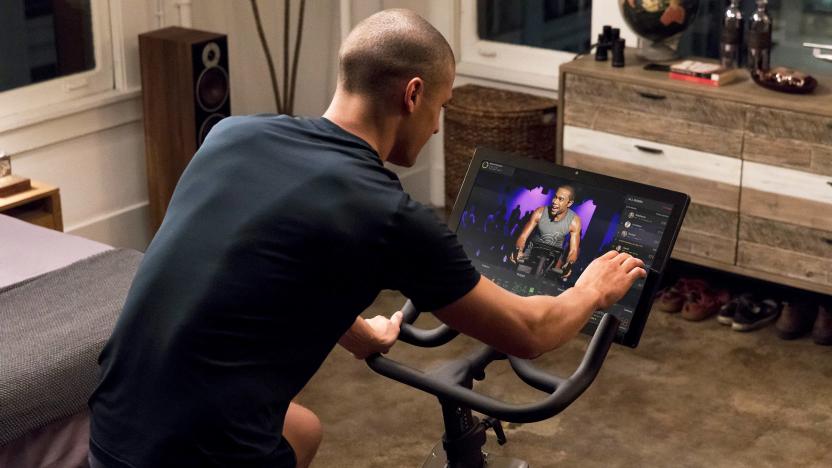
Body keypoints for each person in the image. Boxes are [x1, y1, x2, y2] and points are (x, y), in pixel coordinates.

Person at [87, 9, 645, 468]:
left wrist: (356, 332)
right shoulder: (388, 215)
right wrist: (594, 288)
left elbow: (268, 262)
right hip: (195, 456)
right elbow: (529, 331)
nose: (436, 126)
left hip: (113, 426)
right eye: (441, 108)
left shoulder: (232, 134)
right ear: (413, 94)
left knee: (301, 429)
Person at [510, 185, 582, 279]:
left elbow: (573, 250)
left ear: (569, 203)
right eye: (555, 197)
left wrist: (569, 263)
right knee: (518, 273)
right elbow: (523, 237)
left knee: (556, 277)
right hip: (532, 251)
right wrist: (518, 250)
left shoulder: (574, 221)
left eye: (560, 199)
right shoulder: (540, 212)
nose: (555, 202)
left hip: (554, 258)